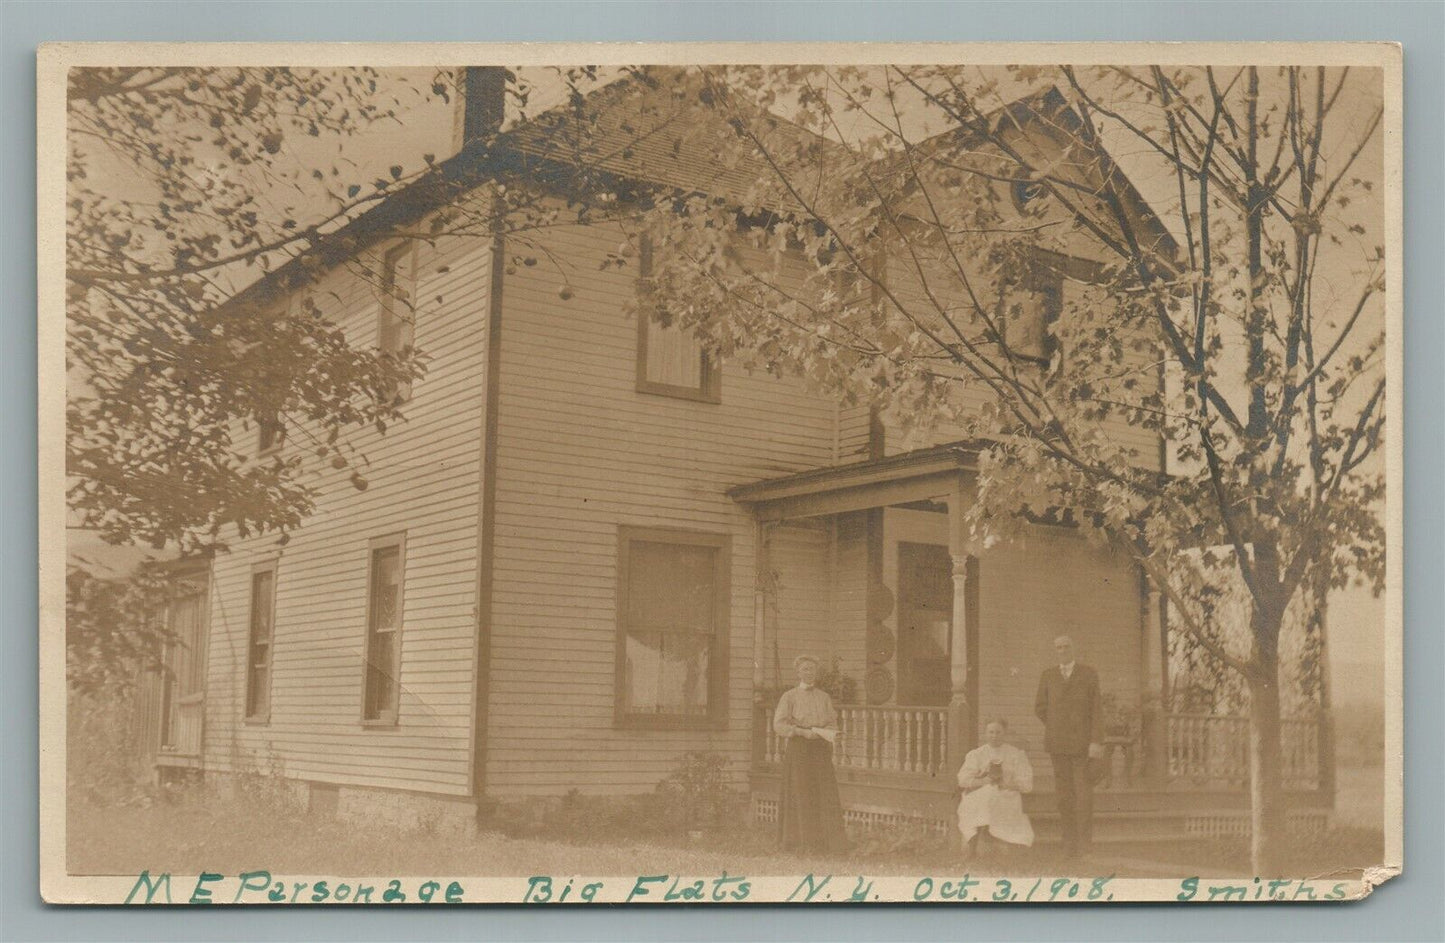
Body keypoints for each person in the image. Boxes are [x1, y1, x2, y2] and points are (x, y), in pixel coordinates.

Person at [1034, 634, 1103, 859]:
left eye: (1066, 646)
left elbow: (1097, 710)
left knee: (1083, 797)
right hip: (1058, 746)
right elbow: (1040, 707)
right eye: (1059, 647)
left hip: (1083, 746)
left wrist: (1095, 741)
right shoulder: (1048, 675)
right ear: (1055, 651)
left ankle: (1085, 847)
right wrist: (1057, 725)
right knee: (1064, 797)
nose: (1062, 650)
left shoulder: (1088, 674)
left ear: (1073, 649)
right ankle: (1068, 845)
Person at [773, 654, 849, 854]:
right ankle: (799, 843)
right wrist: (801, 732)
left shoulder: (824, 697)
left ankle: (824, 843)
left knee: (823, 793)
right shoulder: (789, 696)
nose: (809, 672)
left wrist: (831, 733)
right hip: (799, 747)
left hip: (820, 749)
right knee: (801, 792)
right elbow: (779, 724)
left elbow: (832, 722)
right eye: (805, 669)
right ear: (798, 672)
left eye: (813, 669)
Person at [956, 718, 1035, 862]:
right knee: (984, 797)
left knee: (993, 799)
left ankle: (995, 841)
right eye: (991, 732)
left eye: (998, 732)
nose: (994, 736)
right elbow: (962, 779)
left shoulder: (1015, 754)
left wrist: (1008, 784)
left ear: (1005, 733)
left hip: (1006, 795)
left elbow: (1026, 784)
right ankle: (973, 846)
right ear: (985, 733)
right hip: (981, 794)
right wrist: (983, 781)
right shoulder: (977, 754)